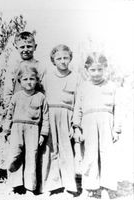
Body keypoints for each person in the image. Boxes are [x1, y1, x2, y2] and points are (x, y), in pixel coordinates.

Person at [72, 52, 122, 199]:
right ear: (87, 69)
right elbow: (78, 109)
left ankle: (106, 187)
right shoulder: (83, 87)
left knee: (106, 155)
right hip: (88, 124)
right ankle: (90, 187)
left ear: (105, 68)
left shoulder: (112, 87)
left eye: (100, 69)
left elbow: (117, 109)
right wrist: (76, 128)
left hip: (106, 123)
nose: (96, 73)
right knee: (90, 155)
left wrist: (116, 130)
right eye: (93, 70)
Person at [3, 62, 49, 195]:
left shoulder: (41, 98)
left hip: (33, 130)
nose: (29, 82)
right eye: (25, 79)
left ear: (37, 80)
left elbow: (45, 118)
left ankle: (30, 187)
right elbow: (9, 114)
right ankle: (13, 185)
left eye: (32, 79)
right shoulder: (16, 97)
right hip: (16, 129)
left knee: (31, 158)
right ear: (20, 81)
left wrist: (43, 134)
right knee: (14, 156)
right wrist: (7, 130)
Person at [40, 45, 79, 197]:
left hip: (66, 116)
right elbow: (41, 99)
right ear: (53, 61)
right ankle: (51, 184)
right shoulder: (47, 77)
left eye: (65, 58)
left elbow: (78, 103)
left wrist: (75, 125)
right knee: (49, 149)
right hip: (49, 115)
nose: (62, 61)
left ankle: (69, 186)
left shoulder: (76, 77)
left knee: (66, 150)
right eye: (59, 58)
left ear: (70, 58)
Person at [3, 31, 46, 108]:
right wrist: (9, 108)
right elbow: (8, 90)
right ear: (17, 48)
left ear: (35, 47)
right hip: (18, 108)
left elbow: (44, 90)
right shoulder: (13, 67)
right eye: (22, 47)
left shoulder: (40, 67)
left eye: (29, 46)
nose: (25, 49)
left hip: (35, 108)